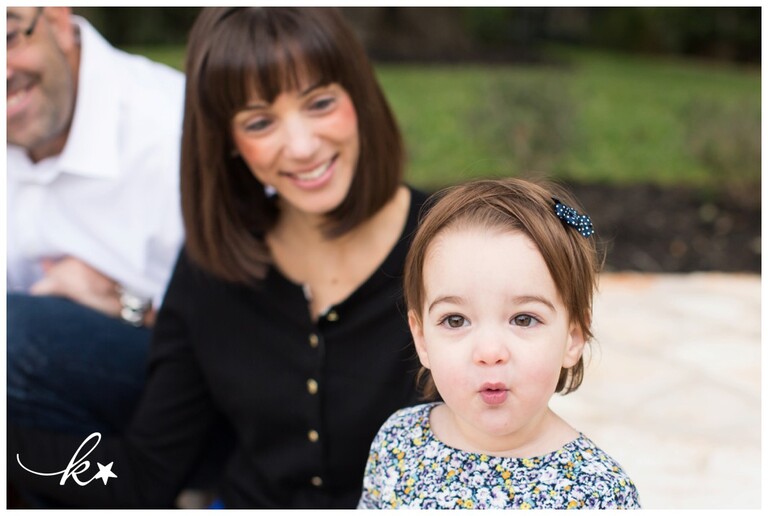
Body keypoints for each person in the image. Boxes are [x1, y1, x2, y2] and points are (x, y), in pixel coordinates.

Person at [9, 7, 426, 508]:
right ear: (229, 142)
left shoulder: (449, 244)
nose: (301, 146)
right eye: (260, 121)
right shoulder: (214, 267)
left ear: (359, 94)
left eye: (319, 103)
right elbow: (145, 474)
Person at [358, 178, 641, 509]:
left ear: (572, 337)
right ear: (422, 339)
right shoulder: (398, 443)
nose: (490, 353)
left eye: (523, 319)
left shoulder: (597, 493)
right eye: (455, 320)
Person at [6, 6, 184, 434]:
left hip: (184, 396)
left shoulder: (175, 131)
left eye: (8, 37)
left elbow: (260, 337)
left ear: (60, 22)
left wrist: (130, 307)